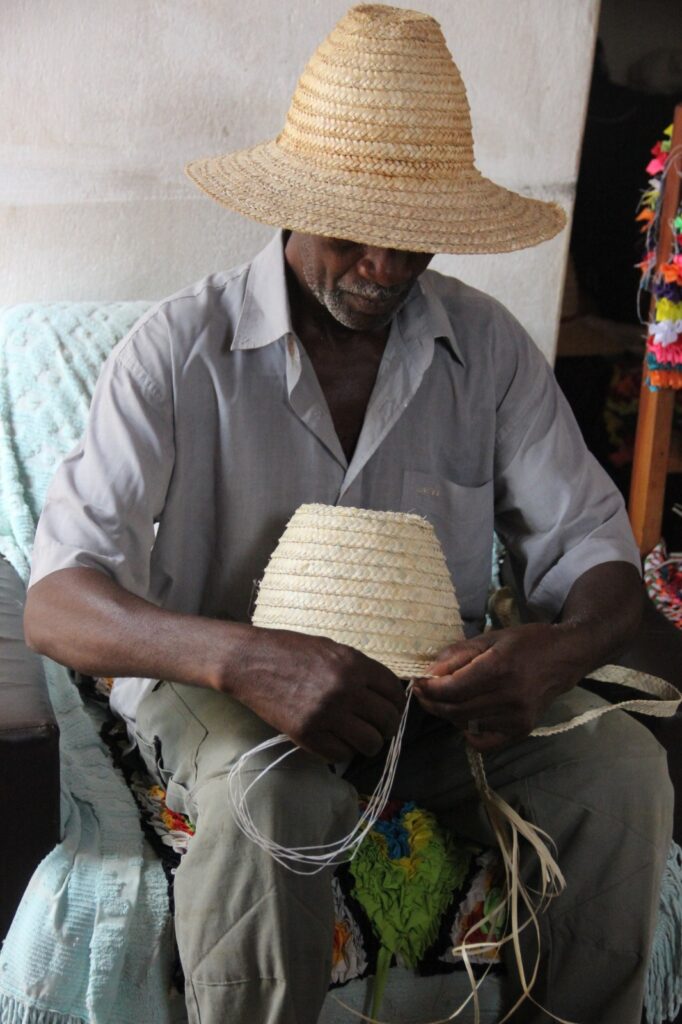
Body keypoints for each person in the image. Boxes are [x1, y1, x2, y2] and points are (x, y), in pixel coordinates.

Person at [24, 6, 672, 1024]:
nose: (381, 268)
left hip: (432, 704)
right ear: (292, 209)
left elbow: (597, 560)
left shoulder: (485, 350)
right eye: (351, 237)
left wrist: (546, 653)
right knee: (269, 798)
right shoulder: (178, 352)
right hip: (228, 695)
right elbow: (58, 602)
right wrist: (247, 659)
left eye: (408, 241)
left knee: (620, 772)